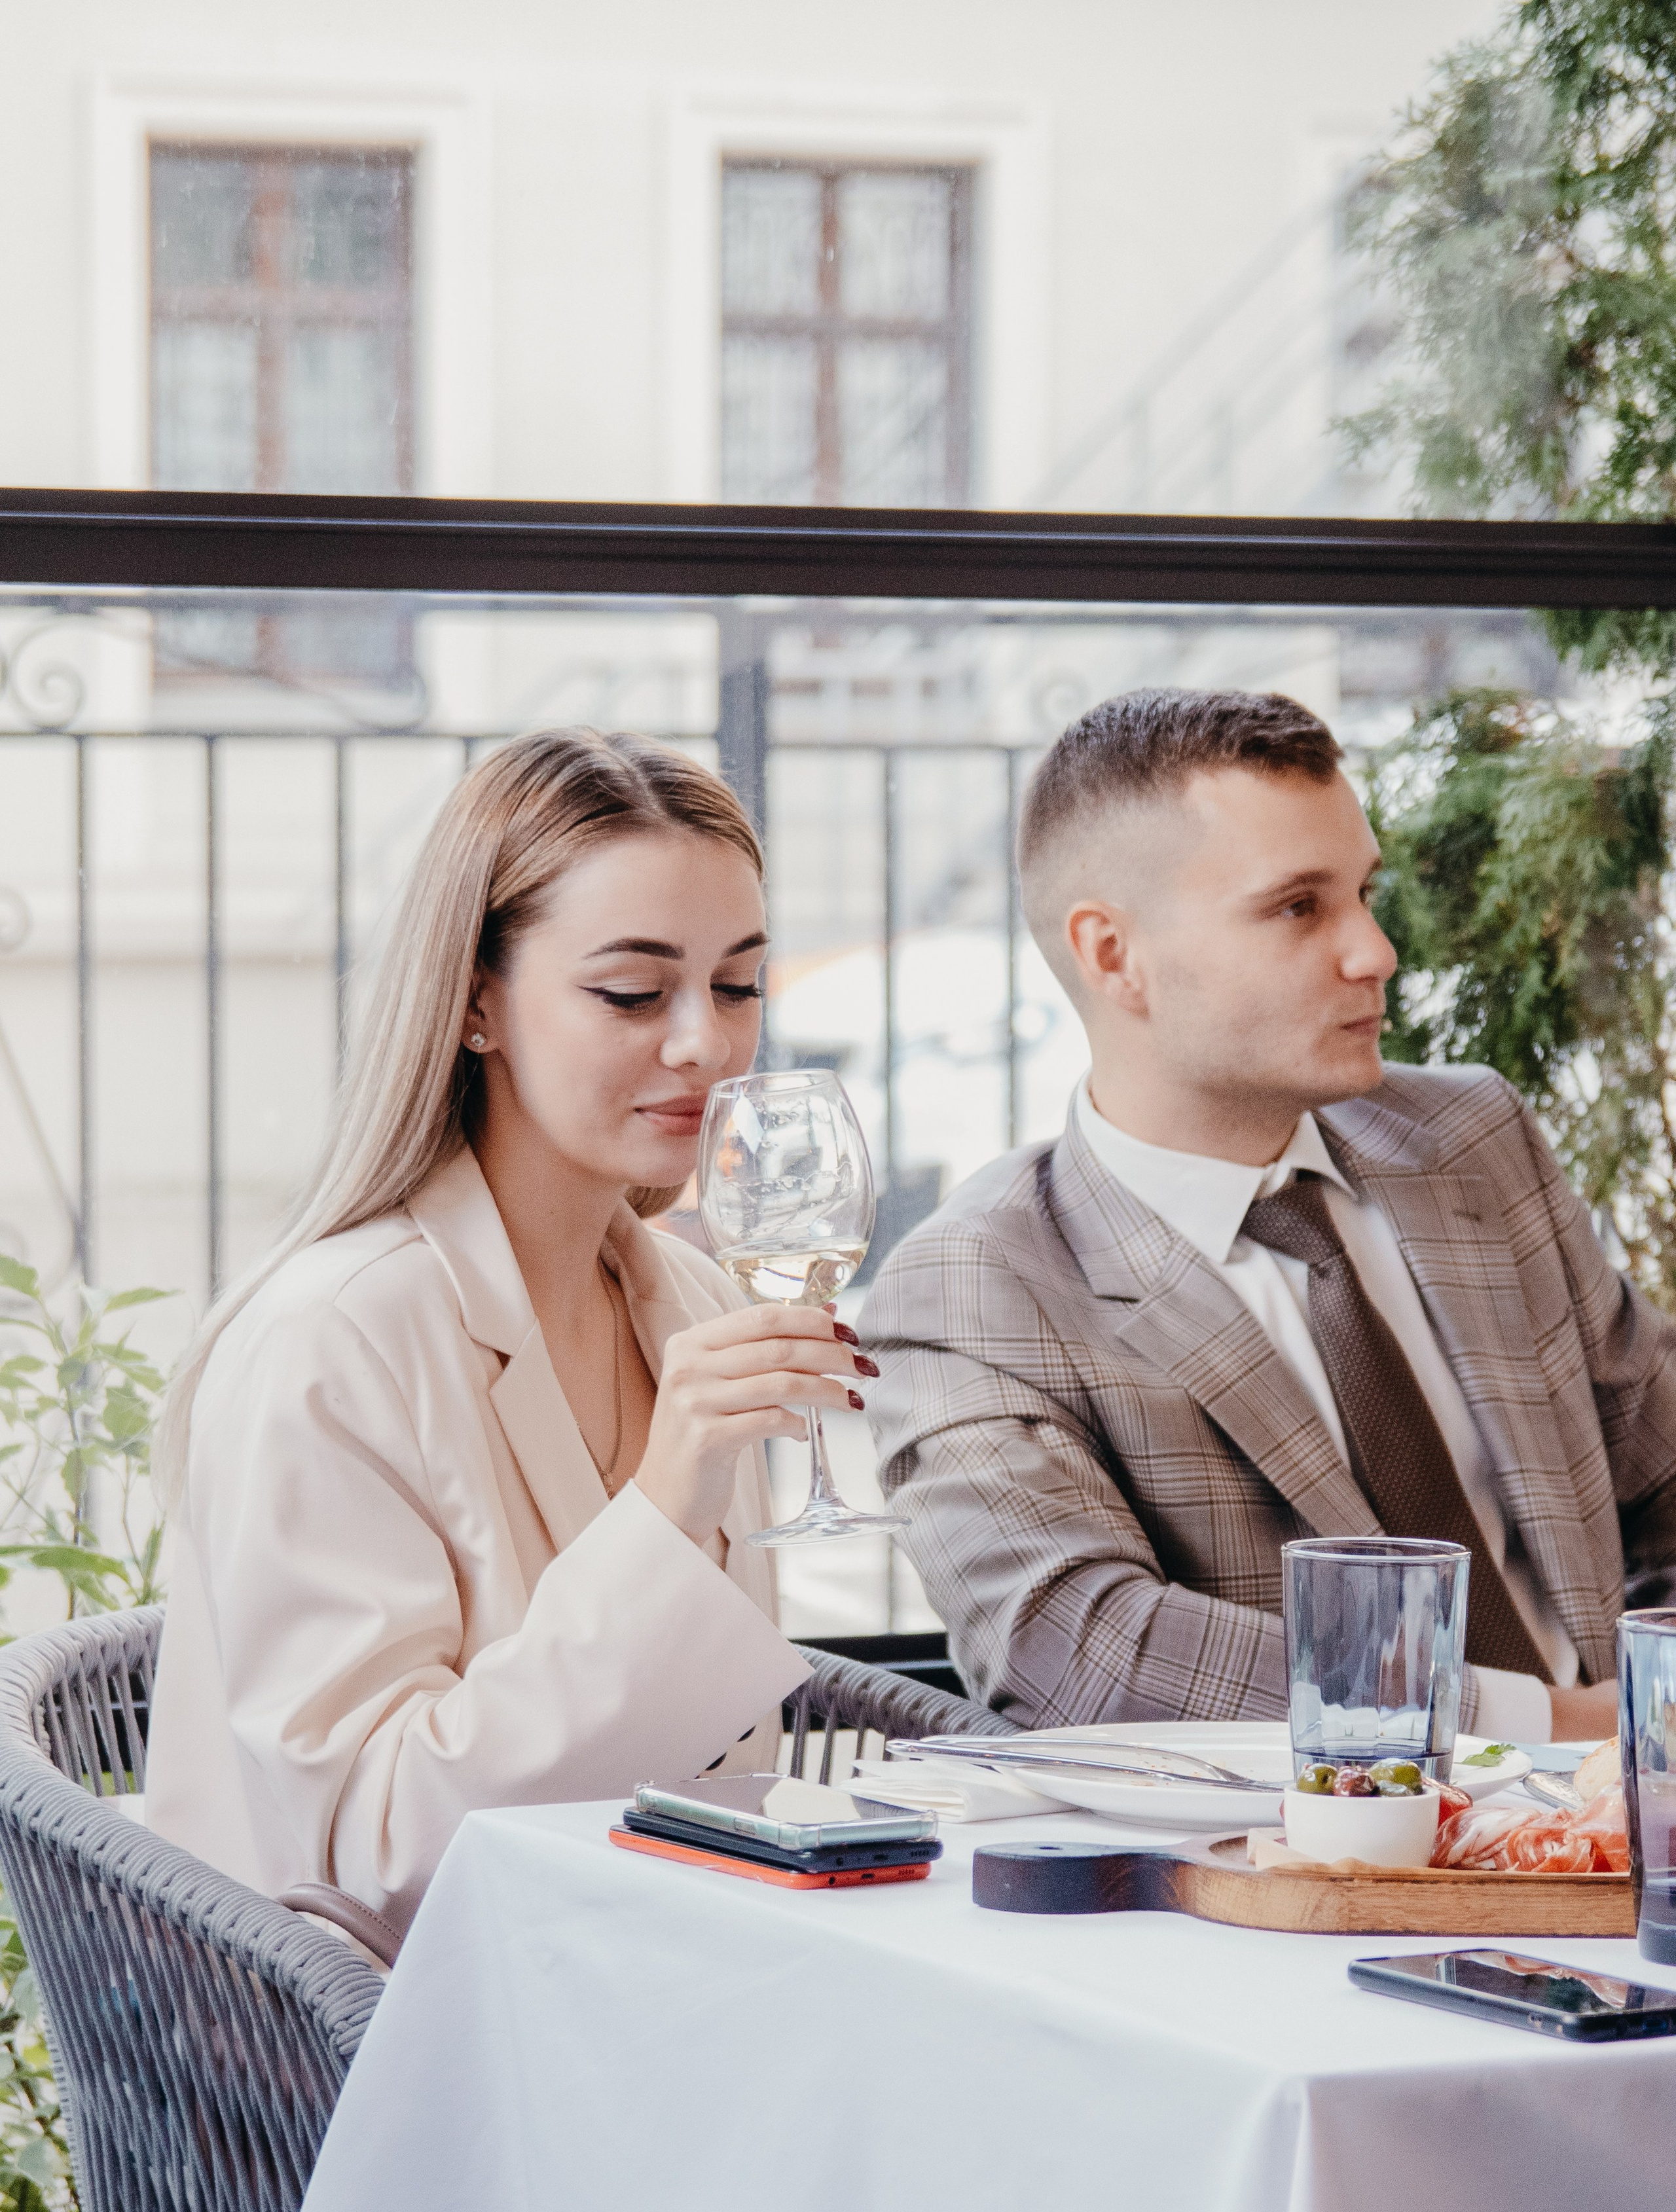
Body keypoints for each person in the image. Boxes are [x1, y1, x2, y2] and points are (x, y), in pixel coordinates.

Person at [147, 731, 875, 1928]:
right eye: (633, 992)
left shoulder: (691, 1311)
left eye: (738, 984)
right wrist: (665, 1503)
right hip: (380, 2045)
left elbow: (721, 1782)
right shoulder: (334, 1339)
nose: (706, 1042)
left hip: (662, 1973)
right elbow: (378, 1849)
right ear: (478, 1003)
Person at [862, 686, 1676, 1745]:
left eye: (1364, 893)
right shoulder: (975, 1290)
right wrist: (1557, 1727)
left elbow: (1661, 1468)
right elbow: (1082, 1657)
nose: (1374, 951)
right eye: (1300, 906)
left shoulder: (1471, 1139)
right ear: (1114, 955)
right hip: (1300, 1880)